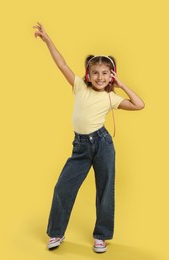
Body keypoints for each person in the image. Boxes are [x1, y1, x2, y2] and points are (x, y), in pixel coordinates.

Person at [33, 22, 145, 253]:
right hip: (81, 147)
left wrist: (121, 84)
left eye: (105, 73)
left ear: (111, 75)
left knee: (105, 189)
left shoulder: (111, 99)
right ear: (88, 74)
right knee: (63, 187)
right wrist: (47, 40)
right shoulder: (79, 87)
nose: (100, 77)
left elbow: (139, 104)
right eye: (95, 73)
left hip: (103, 144)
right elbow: (61, 63)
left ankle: (101, 236)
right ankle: (56, 233)